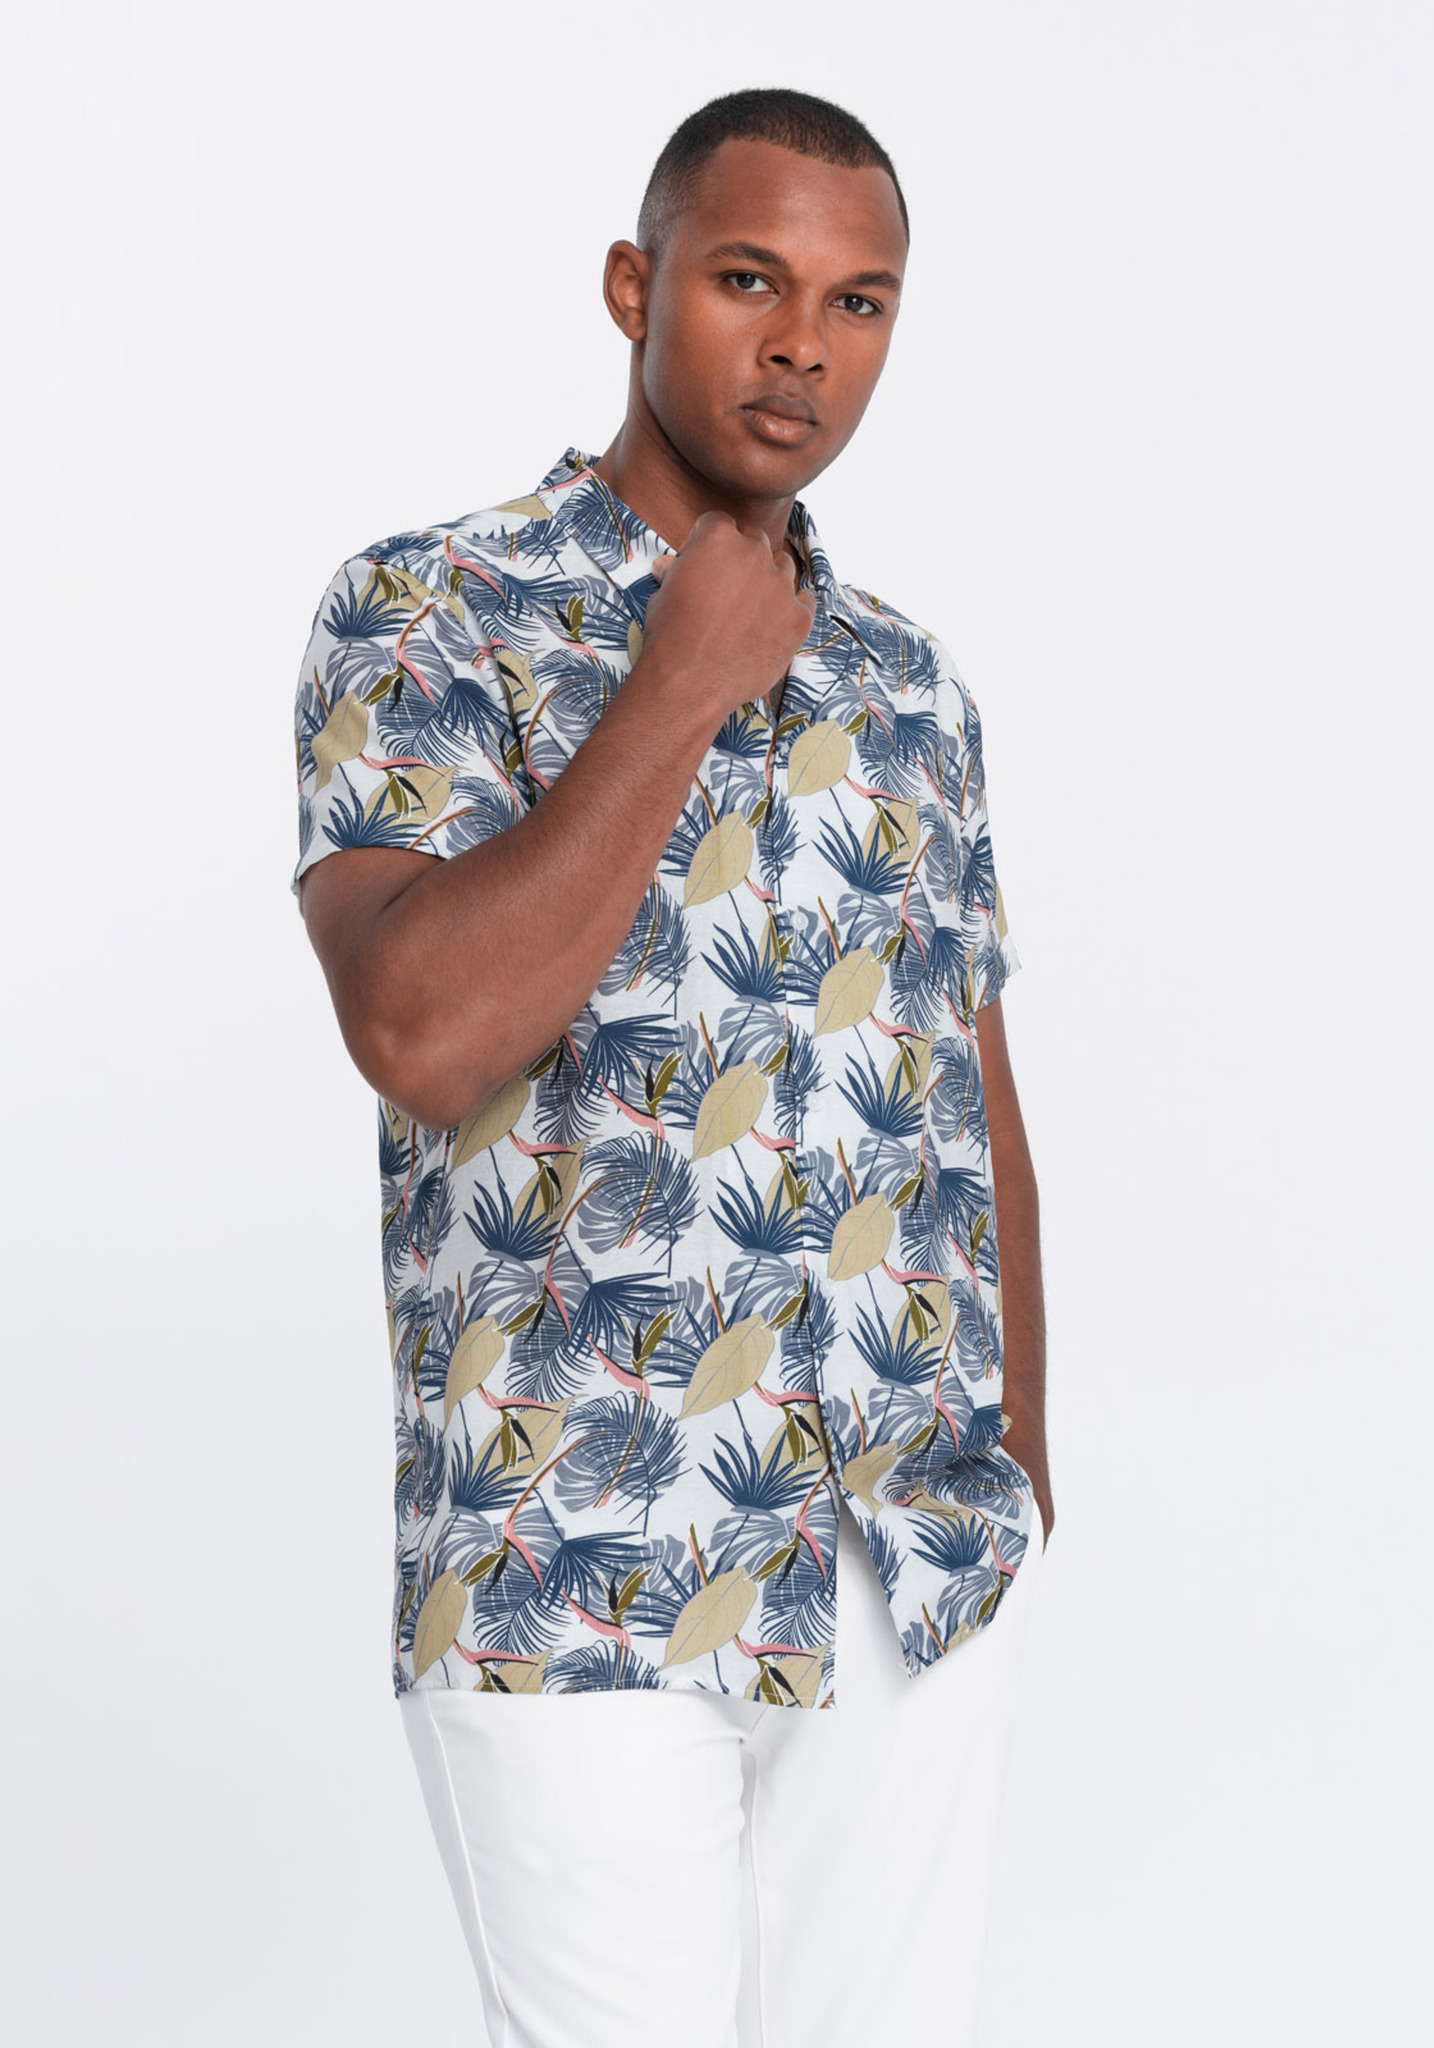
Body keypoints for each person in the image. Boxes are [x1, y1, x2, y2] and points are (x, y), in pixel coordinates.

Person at [290, 84, 1054, 2048]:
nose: (805, 345)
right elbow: (417, 1030)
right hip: (574, 1548)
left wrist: (1013, 1480)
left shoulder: (911, 688)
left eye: (860, 302)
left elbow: (971, 1087)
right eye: (749, 281)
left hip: (902, 1553)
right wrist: (682, 680)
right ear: (636, 287)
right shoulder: (428, 612)